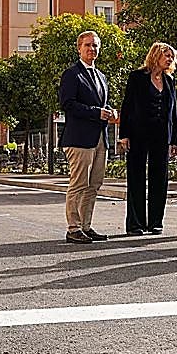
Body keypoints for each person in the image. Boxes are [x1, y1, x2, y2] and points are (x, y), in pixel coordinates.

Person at [119, 42, 177, 236]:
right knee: (136, 177)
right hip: (138, 134)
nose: (170, 59)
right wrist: (124, 134)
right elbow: (127, 106)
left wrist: (175, 139)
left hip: (161, 136)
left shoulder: (169, 80)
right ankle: (135, 224)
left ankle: (155, 222)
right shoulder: (137, 77)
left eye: (171, 56)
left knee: (159, 179)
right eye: (167, 55)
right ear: (155, 55)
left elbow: (173, 112)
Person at [59, 30, 114, 244]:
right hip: (79, 139)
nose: (92, 49)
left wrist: (110, 111)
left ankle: (86, 226)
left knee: (94, 184)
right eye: (88, 45)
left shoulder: (101, 76)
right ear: (79, 48)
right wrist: (95, 112)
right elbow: (68, 104)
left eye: (95, 46)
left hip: (100, 137)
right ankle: (73, 228)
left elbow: (102, 104)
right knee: (79, 183)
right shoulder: (72, 74)